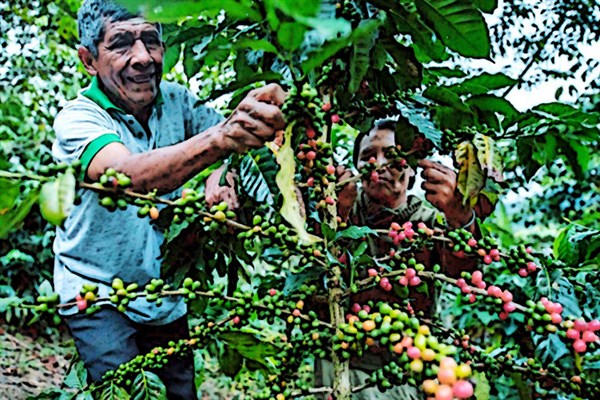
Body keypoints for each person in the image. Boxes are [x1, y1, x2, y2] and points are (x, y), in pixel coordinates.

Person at [51, 1, 285, 398]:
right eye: (121, 43)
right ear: (89, 60)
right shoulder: (78, 119)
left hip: (164, 295)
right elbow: (125, 176)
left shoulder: (176, 101)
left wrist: (222, 179)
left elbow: (230, 147)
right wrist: (220, 140)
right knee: (124, 392)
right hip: (96, 292)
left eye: (151, 41)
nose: (142, 57)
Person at [313, 118, 492, 399]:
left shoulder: (429, 222)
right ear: (357, 168)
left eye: (392, 155)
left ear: (410, 168)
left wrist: (460, 218)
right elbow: (316, 275)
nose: (379, 164)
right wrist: (336, 217)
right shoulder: (342, 207)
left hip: (403, 373)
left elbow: (464, 271)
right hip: (340, 365)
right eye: (368, 156)